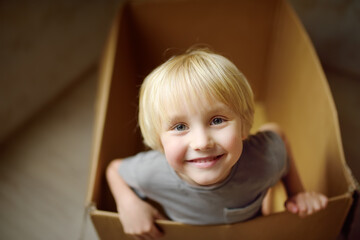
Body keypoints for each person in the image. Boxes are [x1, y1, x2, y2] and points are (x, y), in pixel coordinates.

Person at [106, 48, 328, 239]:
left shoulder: (263, 159)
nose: (202, 143)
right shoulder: (151, 172)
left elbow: (277, 136)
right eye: (180, 127)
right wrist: (128, 204)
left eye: (217, 120)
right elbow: (114, 170)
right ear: (159, 141)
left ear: (243, 127)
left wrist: (297, 194)